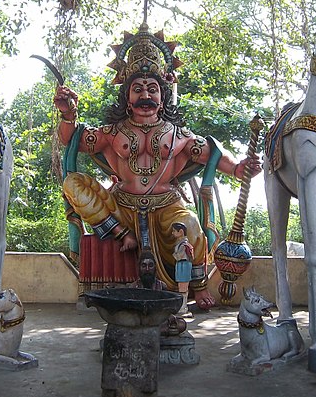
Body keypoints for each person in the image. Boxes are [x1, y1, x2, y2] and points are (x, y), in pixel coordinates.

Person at [55, 22, 261, 310]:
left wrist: (239, 169)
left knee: (190, 224)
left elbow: (209, 153)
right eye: (137, 89)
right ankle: (118, 235)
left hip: (167, 207)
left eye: (153, 89)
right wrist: (68, 115)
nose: (145, 96)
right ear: (127, 97)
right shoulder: (112, 133)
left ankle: (198, 286)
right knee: (72, 183)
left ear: (162, 97)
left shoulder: (178, 136)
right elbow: (73, 141)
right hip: (121, 209)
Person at [171, 222, 193, 314]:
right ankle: (183, 306)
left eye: (174, 231)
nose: (172, 233)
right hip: (181, 265)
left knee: (183, 288)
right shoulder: (181, 244)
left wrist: (174, 254)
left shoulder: (184, 245)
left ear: (181, 231)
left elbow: (178, 256)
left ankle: (183, 307)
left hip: (184, 265)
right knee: (181, 287)